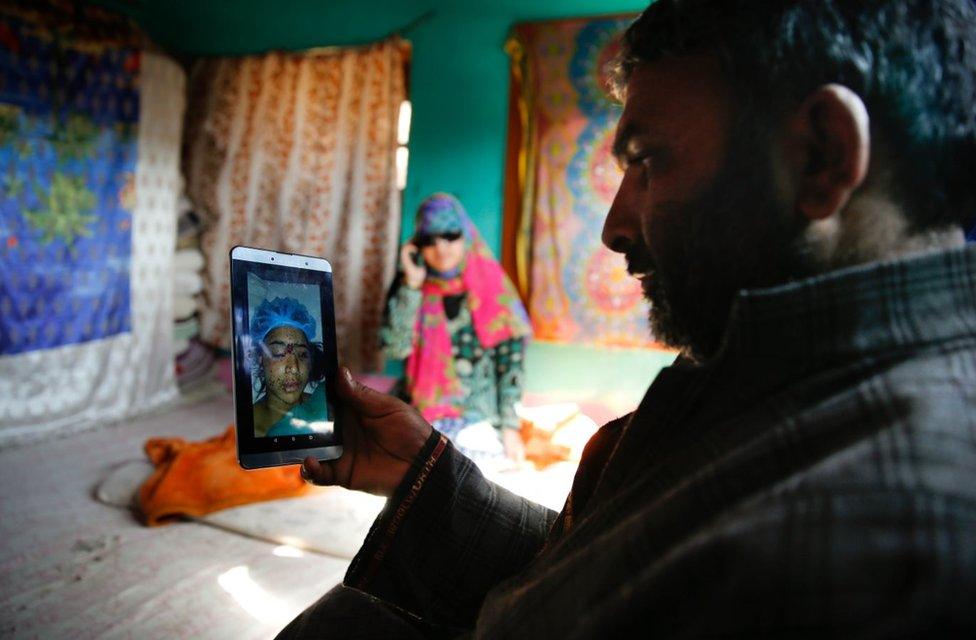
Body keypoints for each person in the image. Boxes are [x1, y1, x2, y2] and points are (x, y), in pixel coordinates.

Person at [281, 0, 976, 637]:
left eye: (647, 161)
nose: (614, 228)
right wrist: (422, 476)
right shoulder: (760, 365)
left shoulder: (896, 540)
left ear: (820, 157)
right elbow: (586, 578)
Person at [379, 193, 532, 463]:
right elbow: (395, 347)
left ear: (466, 236)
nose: (441, 248)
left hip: (478, 417)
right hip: (420, 412)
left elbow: (510, 363)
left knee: (468, 470)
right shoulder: (410, 286)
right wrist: (412, 286)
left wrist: (510, 427)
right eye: (429, 240)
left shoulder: (490, 287)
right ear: (417, 245)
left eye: (450, 235)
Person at [249, 296, 328, 438]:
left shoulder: (324, 406)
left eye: (302, 354)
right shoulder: (249, 430)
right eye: (279, 354)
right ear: (261, 359)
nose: (294, 368)